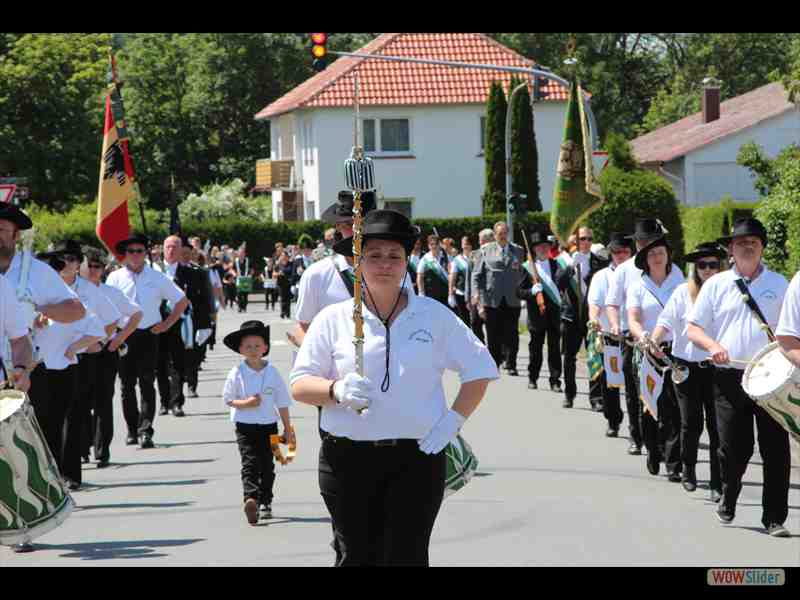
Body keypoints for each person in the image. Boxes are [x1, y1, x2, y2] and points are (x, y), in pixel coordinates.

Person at [290, 209, 498, 566]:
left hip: (416, 460)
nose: (384, 264)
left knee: (407, 556)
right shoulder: (333, 318)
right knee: (357, 557)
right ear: (357, 261)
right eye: (374, 256)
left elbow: (479, 370)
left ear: (406, 262)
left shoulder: (433, 315)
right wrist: (336, 390)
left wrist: (452, 422)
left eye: (394, 256)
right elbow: (300, 384)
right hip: (347, 460)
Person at [688, 217, 791, 537]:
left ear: (762, 248)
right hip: (728, 377)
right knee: (734, 447)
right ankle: (728, 494)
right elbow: (693, 329)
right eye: (741, 242)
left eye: (754, 242)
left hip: (771, 376)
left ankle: (774, 517)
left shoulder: (780, 284)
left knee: (776, 448)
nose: (748, 246)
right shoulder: (716, 284)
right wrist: (713, 346)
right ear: (731, 249)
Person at [0, 204, 85, 475]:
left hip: (31, 368)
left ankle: (48, 488)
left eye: (1, 230)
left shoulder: (36, 271)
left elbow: (76, 310)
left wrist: (40, 308)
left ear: (16, 236)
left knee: (38, 443)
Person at [651, 241, 725, 499]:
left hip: (717, 368)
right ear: (696, 268)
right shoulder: (683, 292)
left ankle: (717, 481)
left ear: (720, 267)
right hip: (685, 367)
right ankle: (688, 470)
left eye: (713, 265)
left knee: (717, 426)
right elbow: (665, 321)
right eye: (702, 265)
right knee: (690, 422)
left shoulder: (727, 292)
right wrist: (654, 340)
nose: (708, 270)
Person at [106, 234, 188, 448]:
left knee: (147, 382)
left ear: (146, 253)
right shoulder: (114, 278)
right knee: (126, 385)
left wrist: (166, 324)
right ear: (125, 254)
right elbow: (106, 307)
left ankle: (146, 430)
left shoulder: (157, 277)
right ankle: (132, 429)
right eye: (130, 251)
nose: (135, 255)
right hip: (124, 335)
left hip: (148, 334)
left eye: (139, 251)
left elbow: (181, 301)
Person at [35, 246, 108, 490]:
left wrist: (74, 347)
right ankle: (45, 481)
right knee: (40, 428)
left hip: (63, 369)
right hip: (35, 369)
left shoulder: (68, 300)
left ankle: (64, 478)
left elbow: (97, 330)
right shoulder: (27, 298)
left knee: (60, 426)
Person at [606, 218, 672, 455]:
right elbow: (612, 304)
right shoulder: (625, 270)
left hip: (667, 343)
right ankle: (636, 436)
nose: (648, 246)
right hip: (634, 340)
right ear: (637, 244)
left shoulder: (672, 270)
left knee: (665, 394)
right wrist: (615, 324)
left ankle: (664, 441)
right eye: (643, 241)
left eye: (653, 241)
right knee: (635, 392)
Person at [223, 320, 294, 524]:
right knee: (250, 462)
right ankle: (251, 499)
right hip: (244, 426)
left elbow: (282, 402)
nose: (253, 350)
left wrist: (287, 428)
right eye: (248, 346)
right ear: (240, 350)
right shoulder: (237, 372)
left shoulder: (272, 372)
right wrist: (246, 403)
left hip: (269, 425)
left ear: (265, 348)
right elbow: (228, 399)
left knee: (267, 466)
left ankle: (266, 501)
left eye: (257, 345)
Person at [626, 235, 685, 479]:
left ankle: (674, 463)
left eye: (660, 252)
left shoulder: (680, 281)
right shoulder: (638, 286)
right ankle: (652, 448)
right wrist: (643, 336)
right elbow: (633, 319)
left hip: (674, 351)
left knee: (674, 407)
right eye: (651, 254)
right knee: (649, 406)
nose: (657, 257)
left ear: (668, 255)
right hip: (647, 351)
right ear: (645, 260)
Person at [80, 247, 143, 468]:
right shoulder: (74, 291)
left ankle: (102, 450)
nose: (93, 270)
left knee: (104, 400)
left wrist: (119, 338)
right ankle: (82, 447)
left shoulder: (111, 293)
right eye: (89, 266)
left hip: (106, 351)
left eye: (98, 266)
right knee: (81, 400)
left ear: (104, 269)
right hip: (81, 351)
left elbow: (136, 314)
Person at [154, 235, 213, 417]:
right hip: (157, 324)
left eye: (175, 247)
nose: (171, 250)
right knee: (160, 365)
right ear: (163, 249)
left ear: (181, 251)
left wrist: (204, 326)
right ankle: (164, 402)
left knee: (178, 363)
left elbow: (203, 301)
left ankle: (177, 402)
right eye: (168, 246)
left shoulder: (193, 273)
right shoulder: (152, 272)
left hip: (181, 323)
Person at [587, 233, 633, 436]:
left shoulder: (639, 274)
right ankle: (613, 420)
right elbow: (595, 303)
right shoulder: (601, 276)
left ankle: (637, 427)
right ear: (610, 254)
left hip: (633, 337)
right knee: (610, 382)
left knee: (633, 384)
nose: (621, 255)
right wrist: (594, 319)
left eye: (625, 251)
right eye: (616, 252)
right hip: (609, 335)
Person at [472, 221, 526, 376]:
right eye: (499, 233)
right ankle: (494, 364)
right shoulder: (485, 251)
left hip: (512, 299)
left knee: (512, 333)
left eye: (505, 233)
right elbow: (476, 275)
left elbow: (522, 274)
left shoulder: (518, 251)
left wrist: (524, 293)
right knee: (493, 334)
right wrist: (476, 295)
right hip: (491, 300)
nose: (502, 236)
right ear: (495, 235)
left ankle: (511, 364)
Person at [517, 229, 562, 391]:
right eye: (539, 246)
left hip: (554, 314)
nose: (543, 249)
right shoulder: (527, 268)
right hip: (536, 315)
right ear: (534, 249)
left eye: (545, 246)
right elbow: (518, 292)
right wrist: (531, 291)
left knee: (555, 349)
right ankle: (533, 377)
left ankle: (555, 381)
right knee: (535, 349)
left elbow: (563, 286)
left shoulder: (556, 265)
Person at [557, 227, 596, 408]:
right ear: (575, 242)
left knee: (594, 358)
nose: (586, 242)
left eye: (589, 238)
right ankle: (569, 394)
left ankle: (596, 398)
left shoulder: (599, 261)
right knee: (569, 358)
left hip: (592, 318)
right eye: (582, 239)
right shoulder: (564, 262)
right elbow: (559, 283)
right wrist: (571, 267)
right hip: (571, 316)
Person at [467, 229, 494, 344]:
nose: (479, 242)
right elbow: (469, 277)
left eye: (480, 239)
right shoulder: (474, 255)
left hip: (491, 297)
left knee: (492, 326)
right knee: (475, 323)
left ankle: (494, 349)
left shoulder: (496, 254)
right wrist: (468, 297)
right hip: (476, 296)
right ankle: (481, 346)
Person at [417, 234, 451, 307]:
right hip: (432, 294)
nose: (434, 246)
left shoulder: (446, 257)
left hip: (446, 293)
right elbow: (420, 277)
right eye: (431, 244)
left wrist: (451, 293)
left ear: (439, 245)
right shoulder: (425, 259)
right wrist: (421, 292)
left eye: (436, 244)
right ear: (428, 246)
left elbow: (451, 273)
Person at [448, 236, 472, 326]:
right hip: (461, 293)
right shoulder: (457, 260)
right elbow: (452, 278)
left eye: (467, 244)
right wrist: (450, 294)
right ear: (461, 245)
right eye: (464, 244)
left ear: (471, 245)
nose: (465, 246)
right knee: (464, 321)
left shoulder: (476, 257)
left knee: (475, 322)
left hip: (474, 295)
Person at [276, 253, 294, 319]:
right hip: (281, 283)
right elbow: (274, 272)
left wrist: (283, 272)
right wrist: (278, 273)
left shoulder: (291, 264)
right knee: (282, 298)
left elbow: (291, 271)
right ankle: (283, 312)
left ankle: (288, 313)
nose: (284, 257)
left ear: (287, 257)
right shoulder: (279, 264)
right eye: (282, 256)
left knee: (288, 299)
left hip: (288, 283)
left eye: (285, 256)